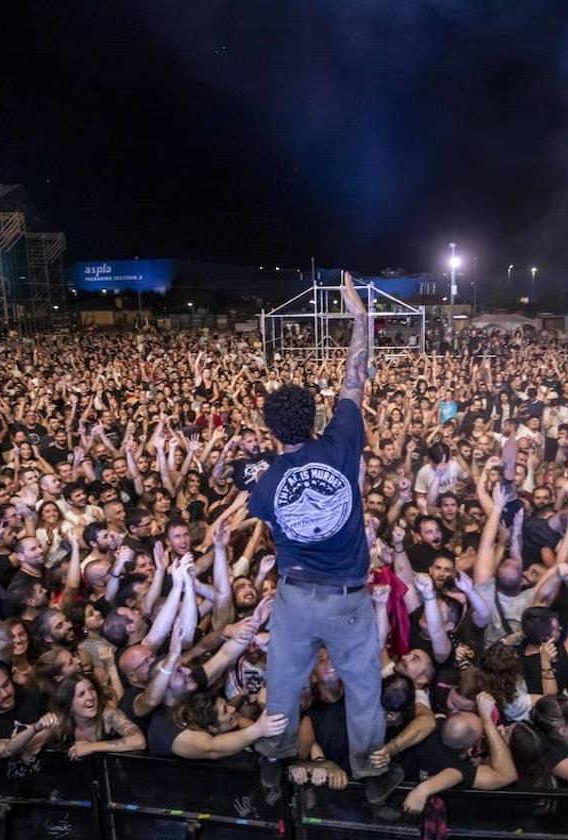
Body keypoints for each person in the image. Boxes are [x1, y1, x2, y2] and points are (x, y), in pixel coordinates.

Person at [249, 272, 401, 807]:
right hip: (347, 599)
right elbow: (355, 380)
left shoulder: (266, 484)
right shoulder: (340, 440)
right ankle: (371, 773)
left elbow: (275, 530)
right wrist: (359, 318)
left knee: (283, 688)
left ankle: (273, 763)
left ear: (271, 429)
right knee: (363, 691)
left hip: (294, 595)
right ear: (315, 415)